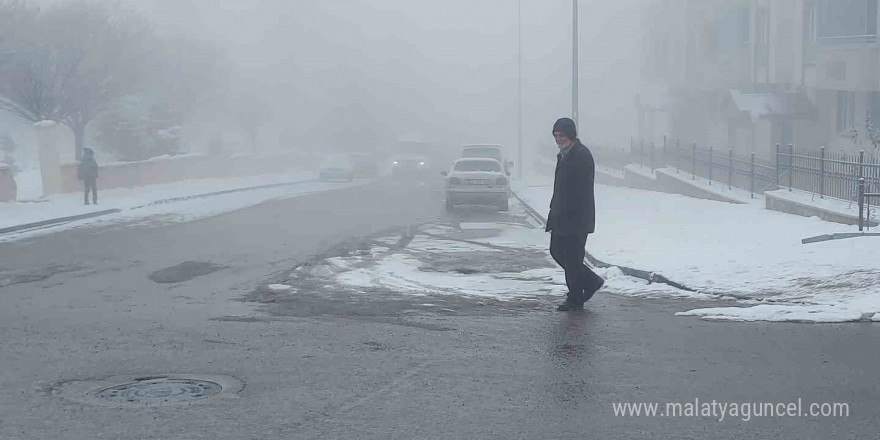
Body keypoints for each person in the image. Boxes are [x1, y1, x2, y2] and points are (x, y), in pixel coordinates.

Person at [546, 118, 604, 311]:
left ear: (570, 134)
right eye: (555, 136)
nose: (558, 139)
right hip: (561, 216)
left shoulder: (581, 155)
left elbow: (581, 191)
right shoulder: (564, 155)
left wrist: (570, 213)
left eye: (561, 135)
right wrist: (554, 210)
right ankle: (591, 281)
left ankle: (575, 298)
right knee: (557, 251)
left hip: (576, 218)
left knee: (572, 258)